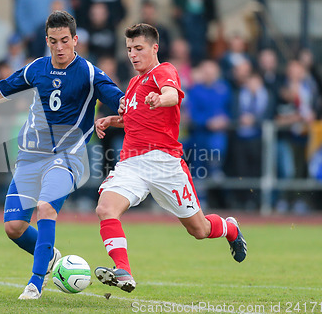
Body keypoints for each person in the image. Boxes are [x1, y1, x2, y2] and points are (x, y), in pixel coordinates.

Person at [0, 11, 124, 299]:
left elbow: (123, 103)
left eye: (65, 41)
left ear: (76, 40)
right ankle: (50, 256)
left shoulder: (90, 73)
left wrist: (134, 109)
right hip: (31, 157)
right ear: (47, 40)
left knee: (45, 208)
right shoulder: (36, 68)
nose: (59, 47)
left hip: (68, 157)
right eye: (54, 41)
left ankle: (35, 282)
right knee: (14, 227)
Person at [93, 23, 247, 293]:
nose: (133, 54)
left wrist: (160, 98)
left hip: (165, 163)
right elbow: (135, 120)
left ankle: (230, 228)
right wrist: (113, 120)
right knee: (106, 209)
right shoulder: (132, 83)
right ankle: (124, 271)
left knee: (198, 229)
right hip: (131, 162)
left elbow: (172, 95)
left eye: (139, 48)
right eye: (129, 49)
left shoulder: (164, 71)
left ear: (155, 48)